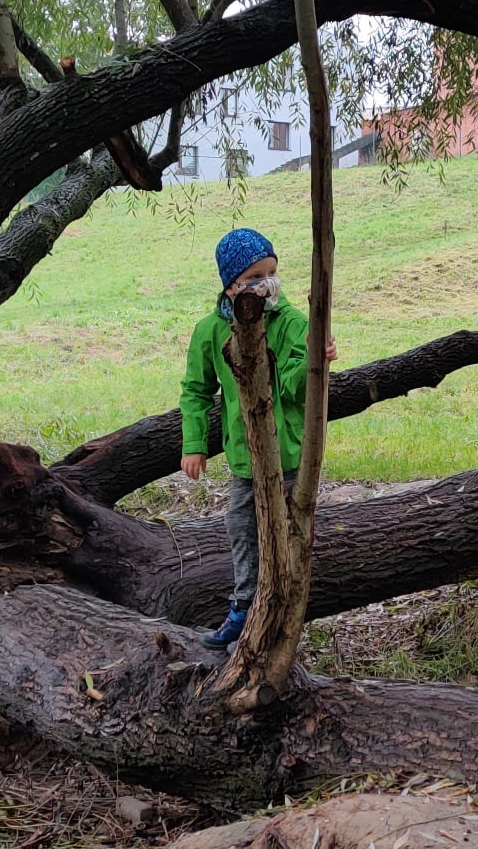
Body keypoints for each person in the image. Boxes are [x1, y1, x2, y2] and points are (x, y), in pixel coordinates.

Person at [180, 228, 335, 651]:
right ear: (231, 286)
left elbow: (293, 386)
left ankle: (282, 617)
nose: (267, 284)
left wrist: (315, 357)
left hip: (290, 459)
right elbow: (196, 391)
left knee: (289, 534)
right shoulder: (211, 331)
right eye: (255, 276)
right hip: (246, 460)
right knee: (242, 527)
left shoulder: (293, 323)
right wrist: (194, 444)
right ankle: (245, 606)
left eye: (272, 272)